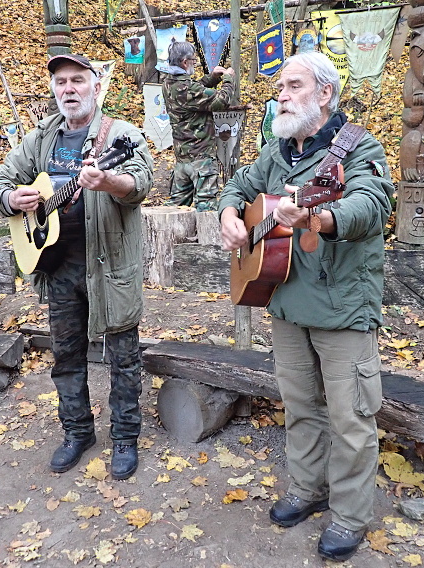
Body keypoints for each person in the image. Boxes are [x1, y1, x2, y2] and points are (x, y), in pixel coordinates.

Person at [219, 51, 393, 562]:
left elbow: (371, 205)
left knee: (351, 416)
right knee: (300, 407)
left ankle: (350, 515)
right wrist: (231, 213)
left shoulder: (359, 146)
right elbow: (239, 187)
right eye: (278, 86)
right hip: (286, 300)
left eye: (293, 85)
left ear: (324, 94)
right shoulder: (276, 153)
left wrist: (320, 218)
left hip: (342, 307)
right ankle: (307, 488)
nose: (281, 94)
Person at [0, 54, 154, 480]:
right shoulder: (41, 137)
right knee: (66, 357)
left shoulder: (121, 135)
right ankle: (77, 433)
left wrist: (108, 181)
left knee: (123, 358)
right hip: (56, 267)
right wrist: (11, 199)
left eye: (78, 80)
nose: (69, 89)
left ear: (96, 87)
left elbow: (139, 185)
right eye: (61, 82)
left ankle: (126, 438)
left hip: (109, 269)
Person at [162, 41, 234, 211]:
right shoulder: (187, 88)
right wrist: (229, 80)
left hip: (182, 161)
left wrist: (212, 78)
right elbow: (221, 101)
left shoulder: (168, 83)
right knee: (206, 209)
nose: (194, 64)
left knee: (175, 209)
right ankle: (206, 239)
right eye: (193, 61)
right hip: (200, 161)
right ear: (184, 62)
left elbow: (195, 91)